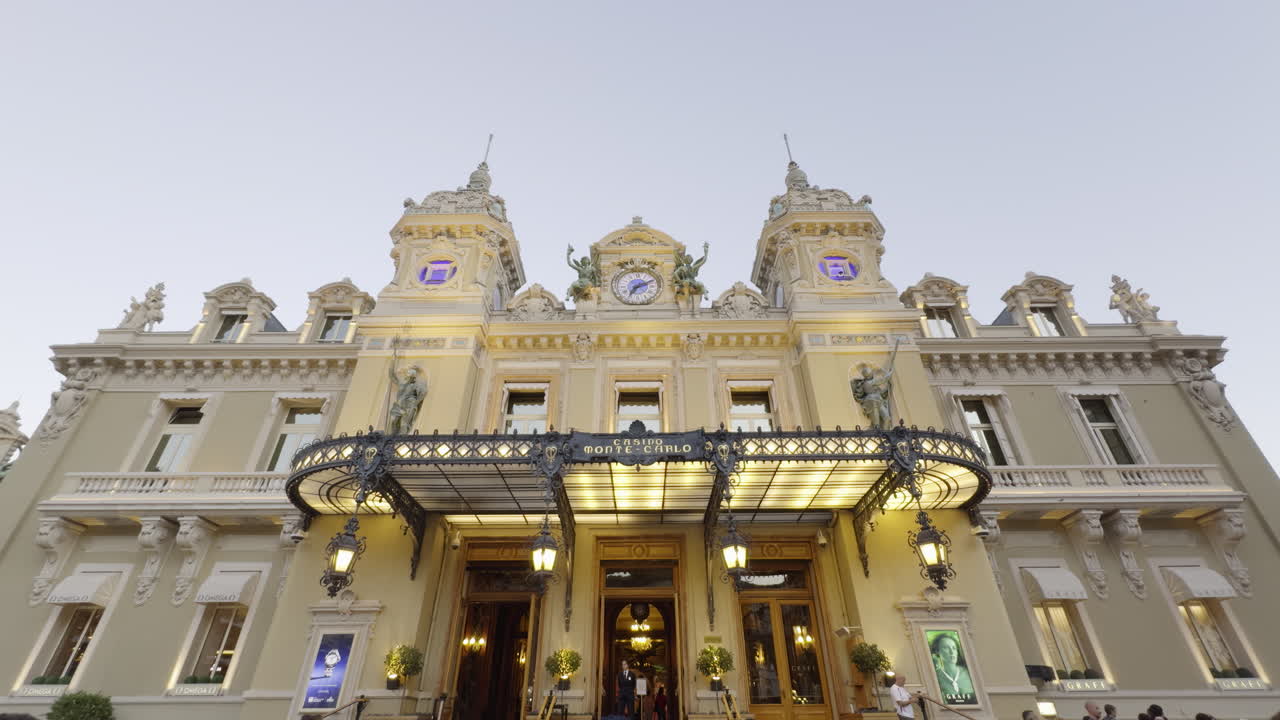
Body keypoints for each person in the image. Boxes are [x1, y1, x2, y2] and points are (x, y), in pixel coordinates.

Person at [929, 633, 976, 705]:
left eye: (954, 648)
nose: (952, 652)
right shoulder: (935, 676)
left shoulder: (968, 673)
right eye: (946, 648)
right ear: (937, 651)